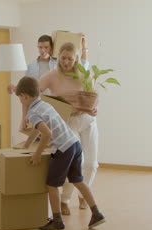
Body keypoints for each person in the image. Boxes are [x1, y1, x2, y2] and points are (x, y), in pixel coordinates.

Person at [15, 76, 105, 230]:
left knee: (52, 185)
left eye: (20, 98)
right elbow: (37, 128)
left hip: (64, 149)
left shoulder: (33, 112)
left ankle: (57, 221)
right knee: (78, 180)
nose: (20, 102)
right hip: (75, 144)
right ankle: (97, 213)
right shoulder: (44, 105)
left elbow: (47, 134)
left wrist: (36, 154)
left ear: (24, 96)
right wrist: (27, 144)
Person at [38, 36, 98, 216]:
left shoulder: (84, 74)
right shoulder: (51, 76)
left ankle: (83, 193)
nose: (66, 62)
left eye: (70, 58)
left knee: (91, 164)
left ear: (76, 59)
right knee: (72, 163)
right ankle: (64, 200)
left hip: (87, 121)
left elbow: (93, 96)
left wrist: (94, 108)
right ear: (58, 57)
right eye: (63, 58)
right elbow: (34, 92)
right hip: (67, 123)